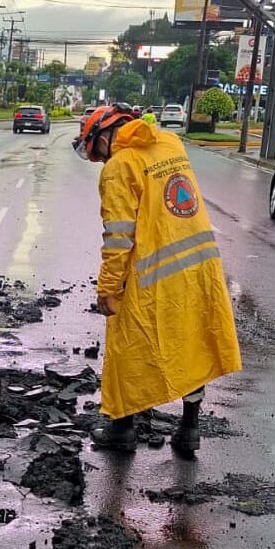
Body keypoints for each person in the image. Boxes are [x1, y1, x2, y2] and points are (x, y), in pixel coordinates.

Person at [72, 104, 242, 455]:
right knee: (195, 345)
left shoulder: (119, 168)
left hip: (152, 276)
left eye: (97, 153)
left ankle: (122, 429)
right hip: (200, 270)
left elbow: (119, 237)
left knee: (128, 348)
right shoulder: (170, 144)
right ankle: (189, 430)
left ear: (105, 135)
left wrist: (107, 288)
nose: (100, 161)